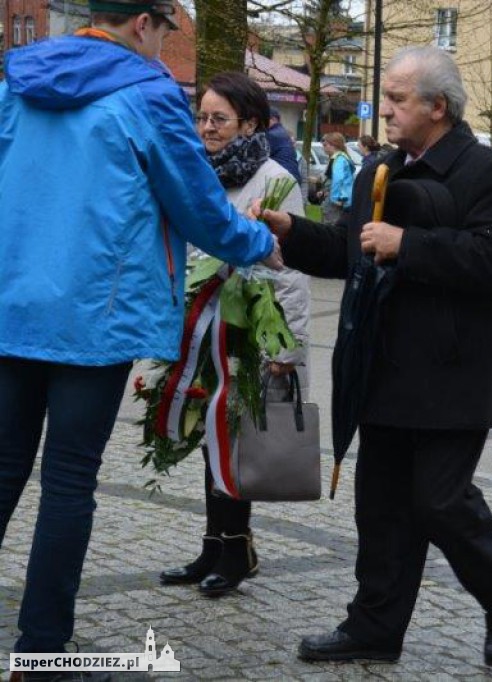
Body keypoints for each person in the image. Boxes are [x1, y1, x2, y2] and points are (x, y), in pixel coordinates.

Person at [0, 0, 281, 666]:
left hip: (13, 306)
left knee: (4, 468)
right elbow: (197, 203)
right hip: (96, 314)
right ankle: (42, 652)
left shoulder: (16, 78)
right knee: (69, 482)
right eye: (164, 33)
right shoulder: (147, 92)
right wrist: (257, 240)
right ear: (144, 24)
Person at [259, 45, 492, 667]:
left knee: (440, 501)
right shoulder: (375, 171)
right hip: (381, 368)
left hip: (451, 376)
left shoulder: (489, 172)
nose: (384, 111)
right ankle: (374, 629)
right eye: (386, 98)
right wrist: (292, 233)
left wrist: (408, 243)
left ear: (437, 107)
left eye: (397, 100)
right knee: (380, 511)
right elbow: (352, 251)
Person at [158, 72, 310, 597]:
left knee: (235, 442)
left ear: (249, 123)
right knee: (209, 441)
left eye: (219, 118)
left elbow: (289, 269)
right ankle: (211, 546)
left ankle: (237, 549)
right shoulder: (196, 174)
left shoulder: (276, 181)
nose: (206, 128)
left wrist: (286, 348)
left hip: (248, 333)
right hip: (197, 328)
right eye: (201, 117)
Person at [320, 131, 356, 227]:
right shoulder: (342, 157)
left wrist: (335, 198)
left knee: (330, 224)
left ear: (333, 145)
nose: (324, 147)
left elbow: (338, 179)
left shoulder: (338, 159)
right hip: (342, 197)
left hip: (337, 199)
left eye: (325, 144)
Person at [266, 107, 302, 182]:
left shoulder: (272, 135)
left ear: (273, 119)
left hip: (283, 180)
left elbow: (260, 157)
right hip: (289, 178)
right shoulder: (282, 132)